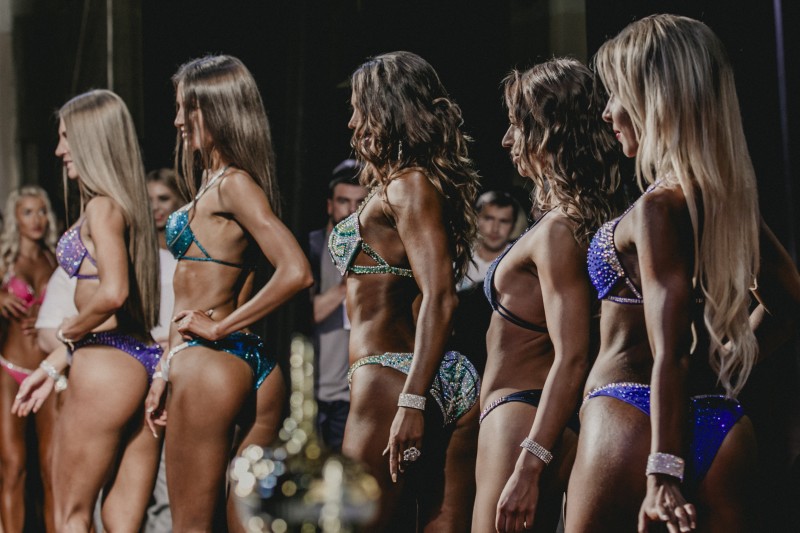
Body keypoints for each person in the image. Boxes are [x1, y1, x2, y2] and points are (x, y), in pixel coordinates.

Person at [566, 14, 800, 532]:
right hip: (720, 425)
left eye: (616, 95)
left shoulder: (656, 208)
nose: (608, 113)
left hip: (629, 420)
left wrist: (663, 470)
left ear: (654, 100)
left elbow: (670, 350)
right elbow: (788, 301)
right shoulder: (724, 200)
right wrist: (725, 369)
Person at [143, 54, 312, 531]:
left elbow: (296, 271)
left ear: (217, 110)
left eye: (186, 108)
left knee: (191, 527)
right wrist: (163, 371)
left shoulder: (233, 184)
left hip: (211, 362)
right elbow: (189, 289)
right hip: (254, 368)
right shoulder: (220, 182)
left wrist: (217, 326)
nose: (177, 120)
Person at [472, 58, 624, 533]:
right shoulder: (576, 219)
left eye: (517, 125)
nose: (505, 140)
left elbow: (573, 355)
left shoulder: (560, 230)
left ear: (548, 132)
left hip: (522, 420)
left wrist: (529, 462)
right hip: (533, 417)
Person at [333, 51, 481, 531]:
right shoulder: (411, 185)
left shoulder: (408, 186)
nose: (353, 120)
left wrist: (411, 401)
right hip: (430, 375)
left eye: (361, 107)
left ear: (388, 108)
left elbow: (441, 297)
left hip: (391, 377)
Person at [13, 89, 163, 532]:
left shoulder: (100, 207)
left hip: (102, 365)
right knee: (121, 523)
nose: (60, 150)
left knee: (70, 516)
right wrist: (58, 360)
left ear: (91, 140)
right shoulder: (127, 206)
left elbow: (114, 293)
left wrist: (65, 336)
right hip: (142, 361)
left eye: (66, 138)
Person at [0, 186, 59, 531]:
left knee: (52, 467)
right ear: (15, 219)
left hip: (49, 369)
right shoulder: (5, 262)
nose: (36, 219)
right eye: (27, 212)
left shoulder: (55, 258)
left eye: (41, 211)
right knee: (13, 466)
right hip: (10, 370)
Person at [309, 159, 366, 452]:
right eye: (344, 201)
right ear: (330, 205)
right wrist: (346, 286)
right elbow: (304, 316)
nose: (351, 210)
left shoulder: (377, 254)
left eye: (360, 202)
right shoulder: (312, 247)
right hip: (313, 391)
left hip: (355, 395)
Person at [143, 168, 182, 533]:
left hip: (178, 365)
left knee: (169, 476)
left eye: (164, 199)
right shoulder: (132, 253)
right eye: (150, 199)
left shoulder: (190, 255)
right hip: (135, 363)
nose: (155, 208)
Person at [457, 190, 519, 292]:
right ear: (476, 219)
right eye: (489, 218)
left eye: (504, 221)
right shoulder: (457, 254)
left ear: (513, 225)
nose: (495, 229)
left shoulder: (519, 262)